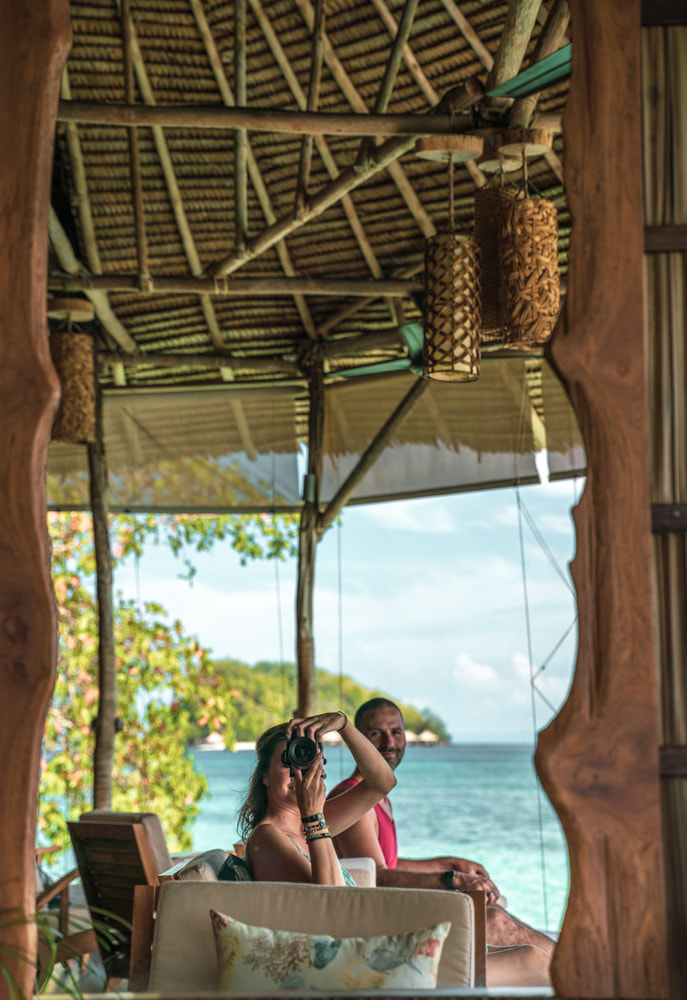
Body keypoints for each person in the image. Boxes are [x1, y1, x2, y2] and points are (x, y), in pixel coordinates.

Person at [328, 698, 555, 987]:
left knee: (494, 915)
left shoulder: (377, 798)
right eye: (375, 734)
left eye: (396, 732)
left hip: (391, 908)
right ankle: (576, 967)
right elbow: (378, 878)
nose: (389, 742)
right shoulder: (353, 799)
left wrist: (448, 863)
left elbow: (386, 863)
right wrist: (451, 879)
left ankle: (570, 965)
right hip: (377, 923)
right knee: (494, 920)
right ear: (356, 741)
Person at [238, 709, 396, 886]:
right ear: (264, 776)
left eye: (308, 762)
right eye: (287, 763)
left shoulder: (314, 823)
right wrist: (313, 816)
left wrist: (344, 725)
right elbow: (331, 900)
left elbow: (383, 783)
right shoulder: (267, 836)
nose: (298, 773)